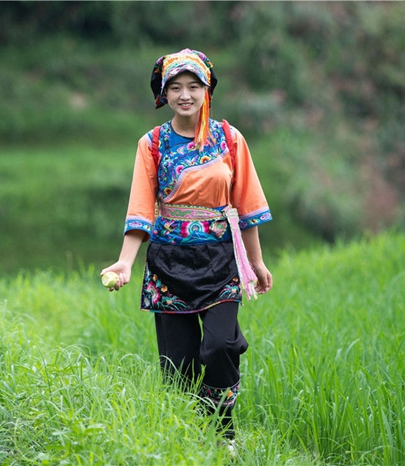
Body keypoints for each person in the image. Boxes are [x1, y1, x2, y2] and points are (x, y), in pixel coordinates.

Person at [100, 48, 273, 443]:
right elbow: (140, 210)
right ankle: (191, 441)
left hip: (220, 262)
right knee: (179, 369)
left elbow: (247, 208)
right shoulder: (152, 143)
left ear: (207, 90)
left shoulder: (229, 139)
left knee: (220, 345)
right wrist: (125, 262)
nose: (185, 95)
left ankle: (224, 434)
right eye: (175, 87)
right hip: (168, 265)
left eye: (193, 86)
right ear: (164, 93)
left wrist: (257, 262)